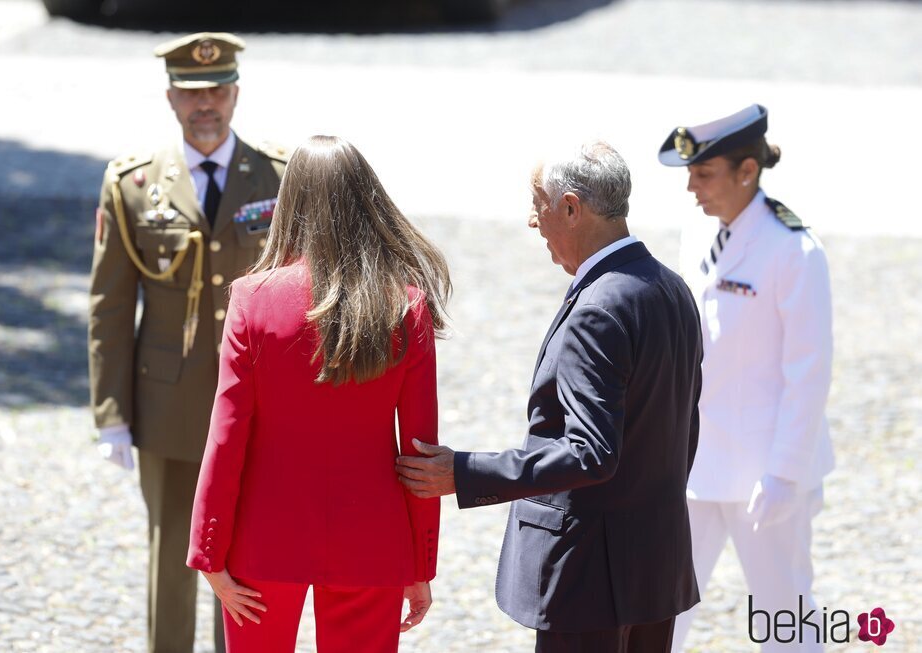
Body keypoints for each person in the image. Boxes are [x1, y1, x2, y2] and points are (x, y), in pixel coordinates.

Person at [396, 141, 703, 652]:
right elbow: (681, 429)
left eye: (536, 201)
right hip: (653, 566)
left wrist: (465, 472)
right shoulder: (670, 287)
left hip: (589, 576)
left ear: (570, 207)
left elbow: (590, 451)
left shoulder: (599, 308)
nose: (531, 220)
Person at [186, 135, 451, 653]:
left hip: (264, 539)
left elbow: (227, 436)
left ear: (290, 203)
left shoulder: (251, 300)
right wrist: (419, 565)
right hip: (372, 541)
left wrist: (209, 553)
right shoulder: (407, 307)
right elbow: (419, 452)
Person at [87, 32, 289, 653]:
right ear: (171, 97)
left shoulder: (280, 177)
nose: (207, 105)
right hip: (168, 406)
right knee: (175, 549)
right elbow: (111, 306)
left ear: (235, 93)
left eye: (218, 91)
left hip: (259, 404)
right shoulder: (132, 184)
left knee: (248, 555)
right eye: (193, 93)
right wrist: (112, 416)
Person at [657, 104, 834, 652]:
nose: (692, 188)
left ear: (747, 172)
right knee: (662, 610)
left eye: (704, 173)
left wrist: (784, 473)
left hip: (765, 472)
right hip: (696, 464)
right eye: (690, 173)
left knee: (785, 618)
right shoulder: (699, 232)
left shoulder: (794, 251)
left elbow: (808, 372)